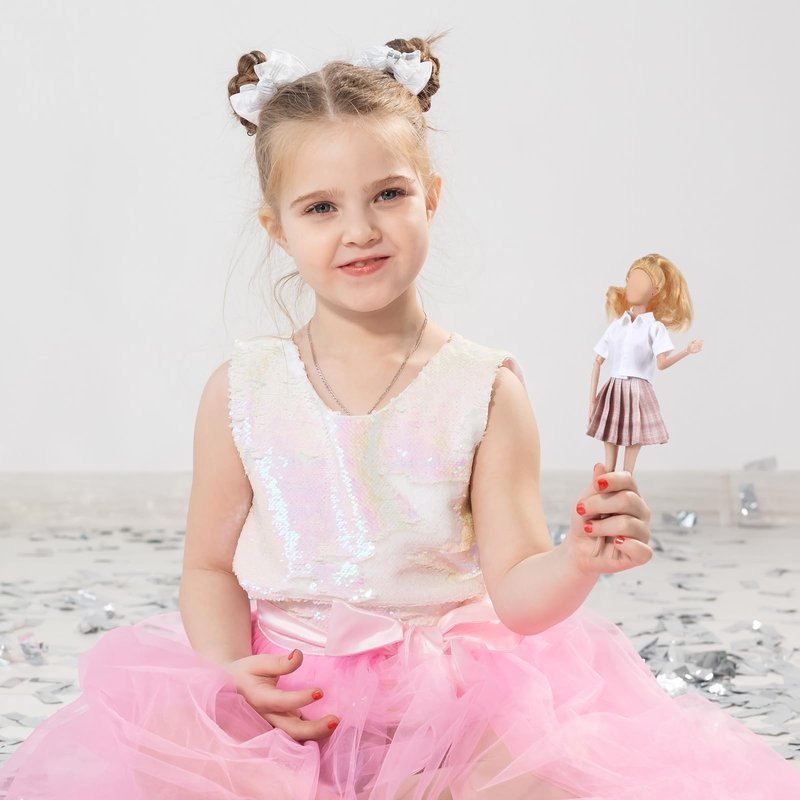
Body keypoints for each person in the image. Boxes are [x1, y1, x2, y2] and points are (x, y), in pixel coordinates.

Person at [2, 34, 798, 800]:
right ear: (277, 228)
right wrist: (227, 669)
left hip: (452, 705)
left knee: (535, 782)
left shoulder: (484, 390)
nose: (360, 230)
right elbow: (209, 567)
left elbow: (519, 591)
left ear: (431, 196)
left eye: (388, 194)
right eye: (321, 207)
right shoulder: (242, 390)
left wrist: (578, 559)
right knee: (174, 767)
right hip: (289, 694)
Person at [586, 254, 705, 475]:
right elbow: (597, 362)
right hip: (613, 390)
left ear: (655, 291)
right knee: (608, 466)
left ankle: (624, 480)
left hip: (638, 393)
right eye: (631, 280)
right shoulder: (616, 326)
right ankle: (608, 482)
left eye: (641, 283)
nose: (633, 287)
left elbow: (662, 364)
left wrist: (687, 351)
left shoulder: (654, 328)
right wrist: (592, 402)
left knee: (627, 470)